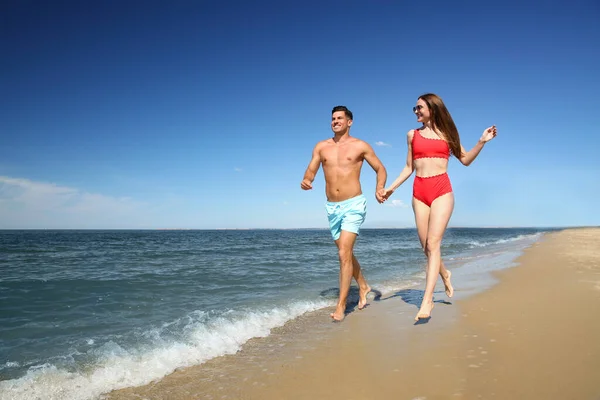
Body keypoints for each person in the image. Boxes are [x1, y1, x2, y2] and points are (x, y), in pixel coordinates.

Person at [382, 93, 497, 321]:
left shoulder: (448, 135)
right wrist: (390, 189)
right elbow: (408, 167)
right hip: (419, 192)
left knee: (434, 244)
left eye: (419, 107)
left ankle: (427, 301)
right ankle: (445, 273)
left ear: (432, 109)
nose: (415, 111)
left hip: (441, 190)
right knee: (426, 247)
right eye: (414, 108)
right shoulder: (412, 135)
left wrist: (481, 142)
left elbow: (465, 159)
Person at [301, 105, 387, 321]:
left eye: (339, 118)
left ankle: (341, 306)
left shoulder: (360, 146)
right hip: (332, 207)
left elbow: (380, 168)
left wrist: (379, 187)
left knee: (342, 255)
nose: (335, 121)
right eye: (332, 118)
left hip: (353, 204)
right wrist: (307, 180)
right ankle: (364, 286)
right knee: (345, 252)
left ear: (349, 122)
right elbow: (311, 169)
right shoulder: (321, 147)